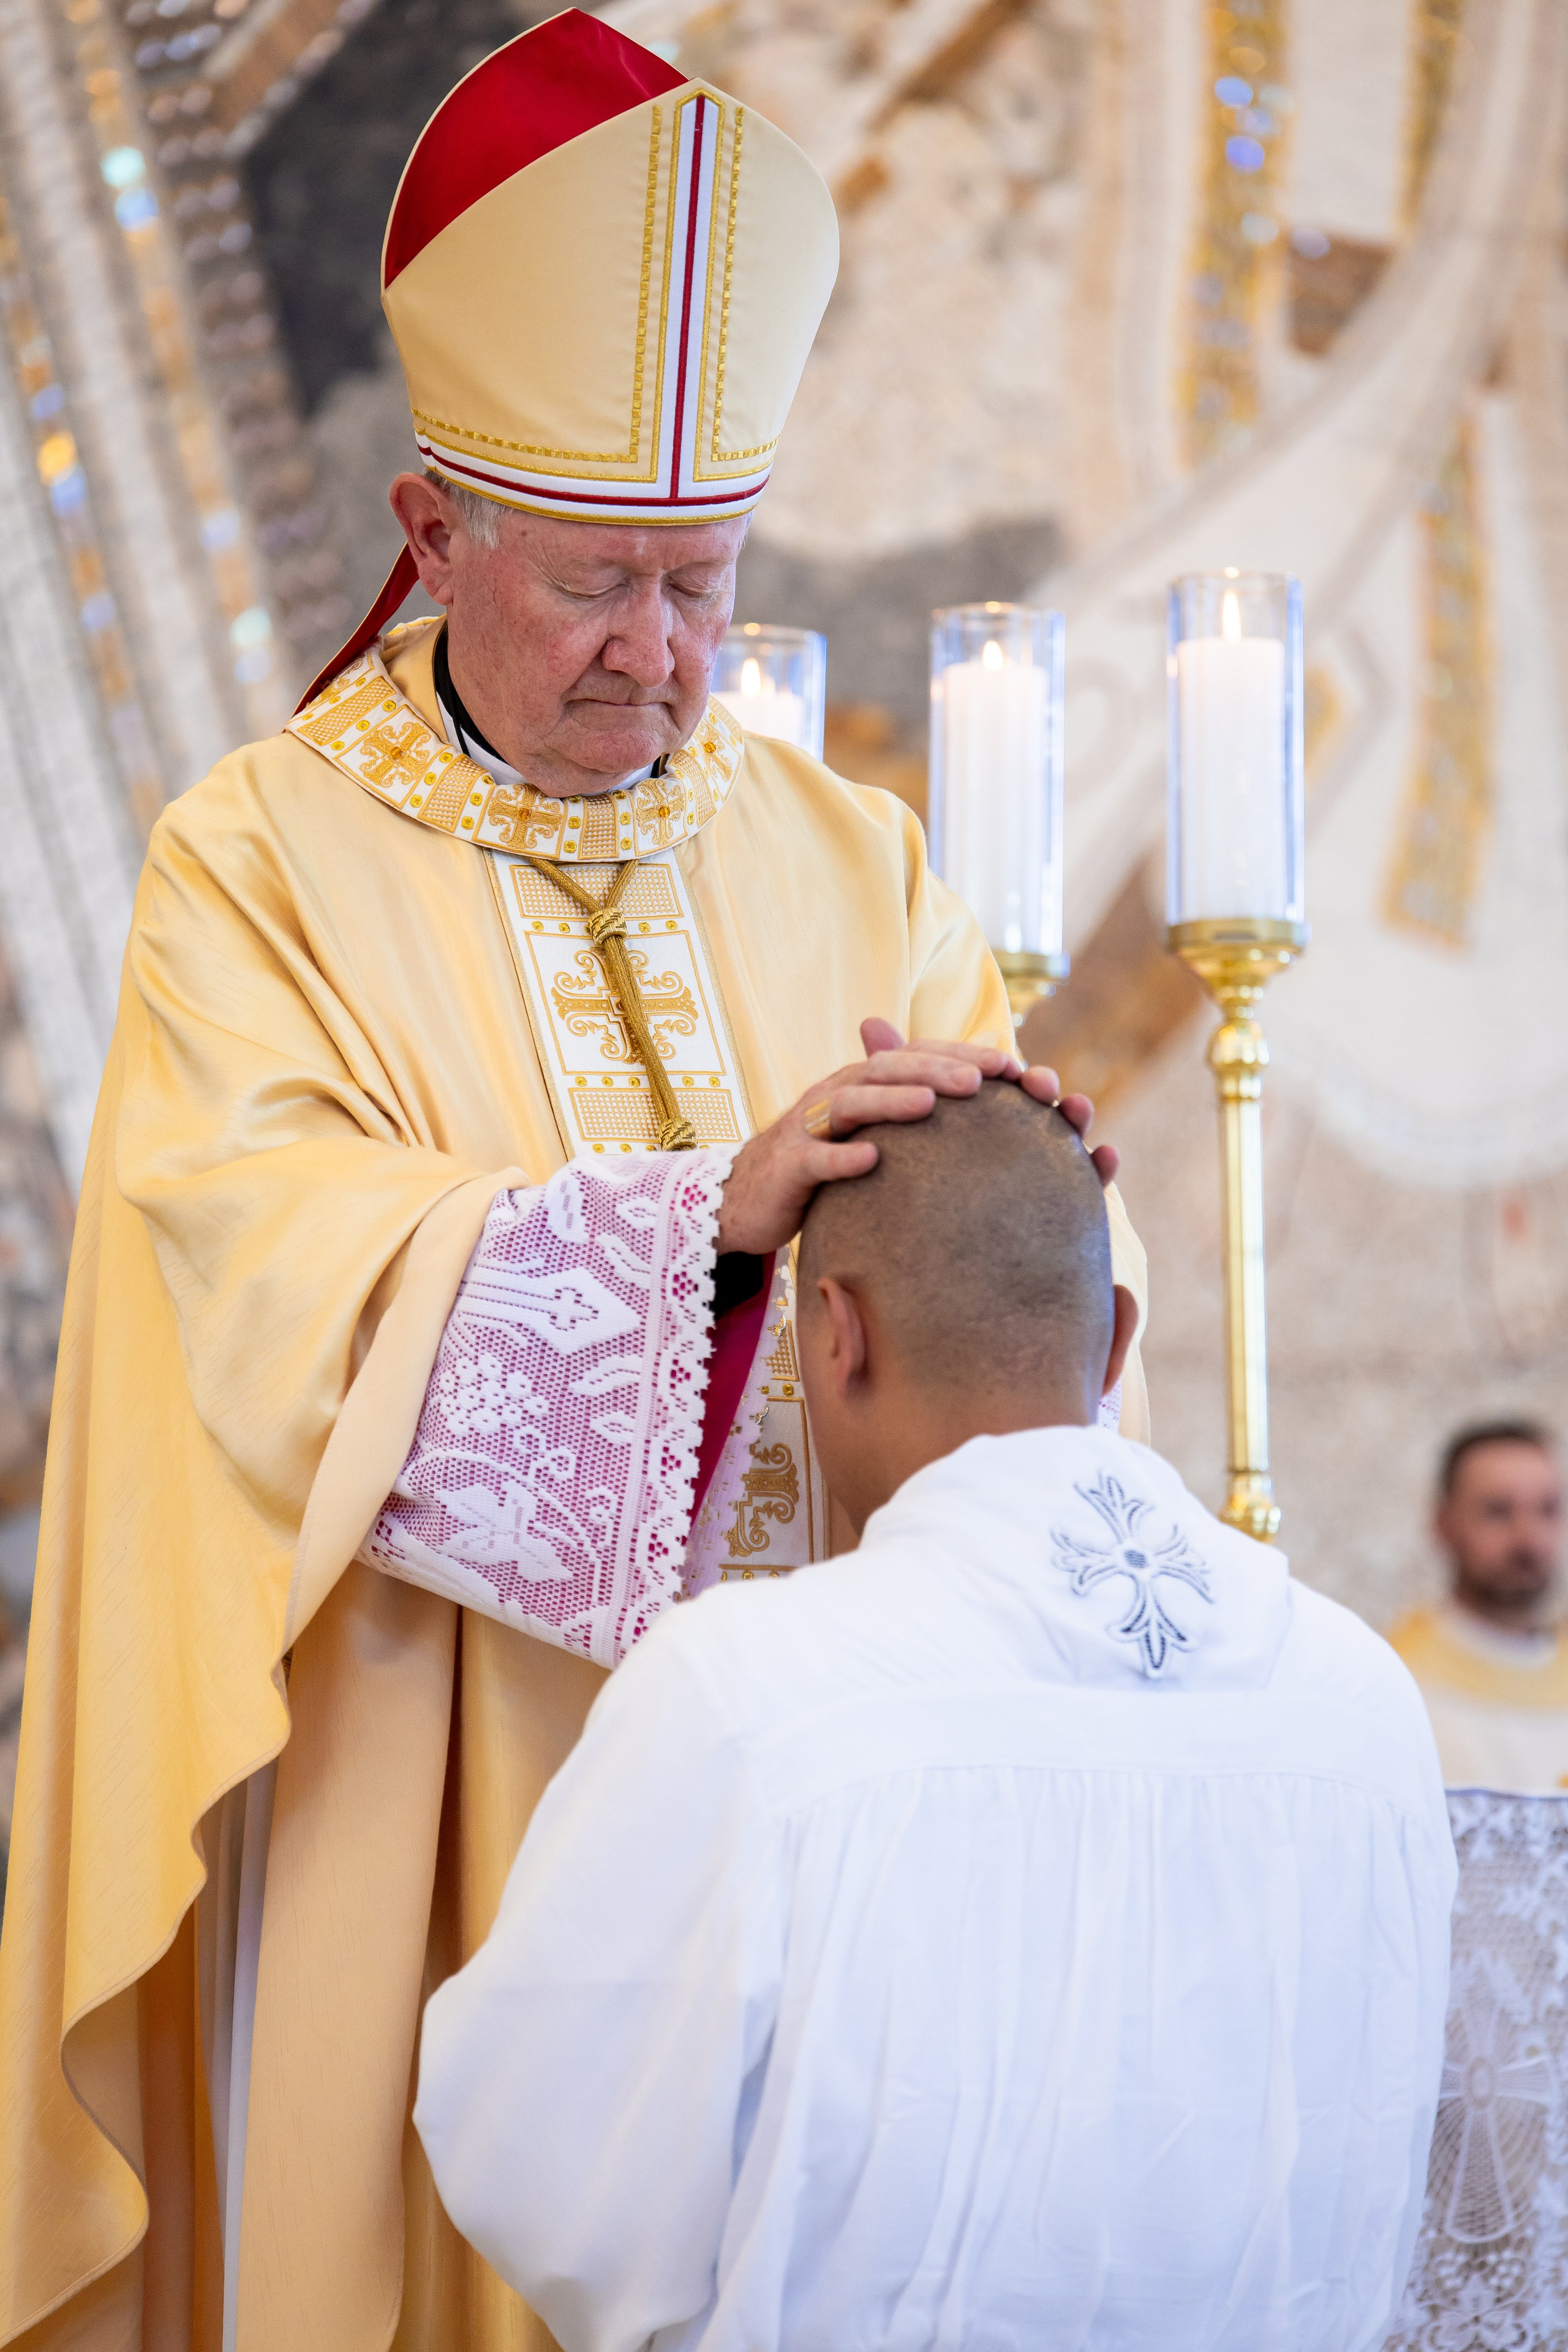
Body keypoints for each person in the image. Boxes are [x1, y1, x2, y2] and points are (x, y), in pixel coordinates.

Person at [0, 15, 1152, 2350]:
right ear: (433, 536)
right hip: (432, 1805)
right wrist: (687, 1238)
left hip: (830, 1820)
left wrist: (1046, 1203)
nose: (662, 654)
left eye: (702, 581)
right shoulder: (261, 862)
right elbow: (240, 1290)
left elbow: (1028, 1293)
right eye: (598, 584)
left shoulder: (850, 851)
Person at [416, 1082, 1455, 2352]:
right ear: (1116, 1335)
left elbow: (531, 2156)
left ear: (835, 1333)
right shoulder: (1361, 1704)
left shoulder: (742, 1691)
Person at [1390, 1420, 1567, 1790]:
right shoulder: (1397, 1683)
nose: (1528, 1539)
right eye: (1498, 1511)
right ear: (1443, 1524)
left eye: (1547, 1510)